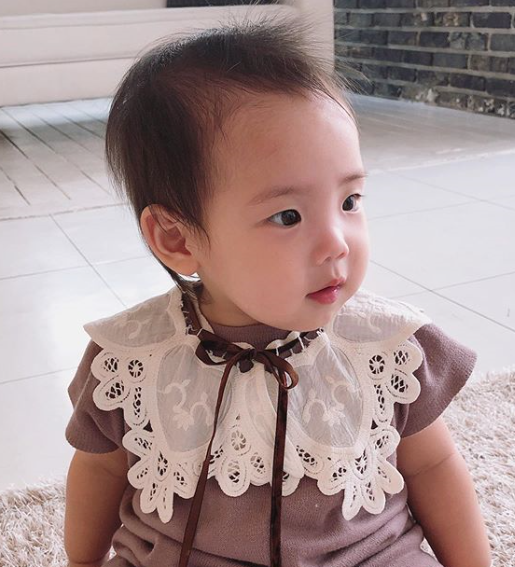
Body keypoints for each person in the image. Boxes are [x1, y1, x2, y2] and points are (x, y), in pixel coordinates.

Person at [63, 12, 492, 567]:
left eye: (349, 201)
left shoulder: (385, 349)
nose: (336, 242)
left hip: (366, 556)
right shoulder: (132, 360)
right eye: (288, 215)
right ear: (177, 238)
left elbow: (432, 465)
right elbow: (99, 470)